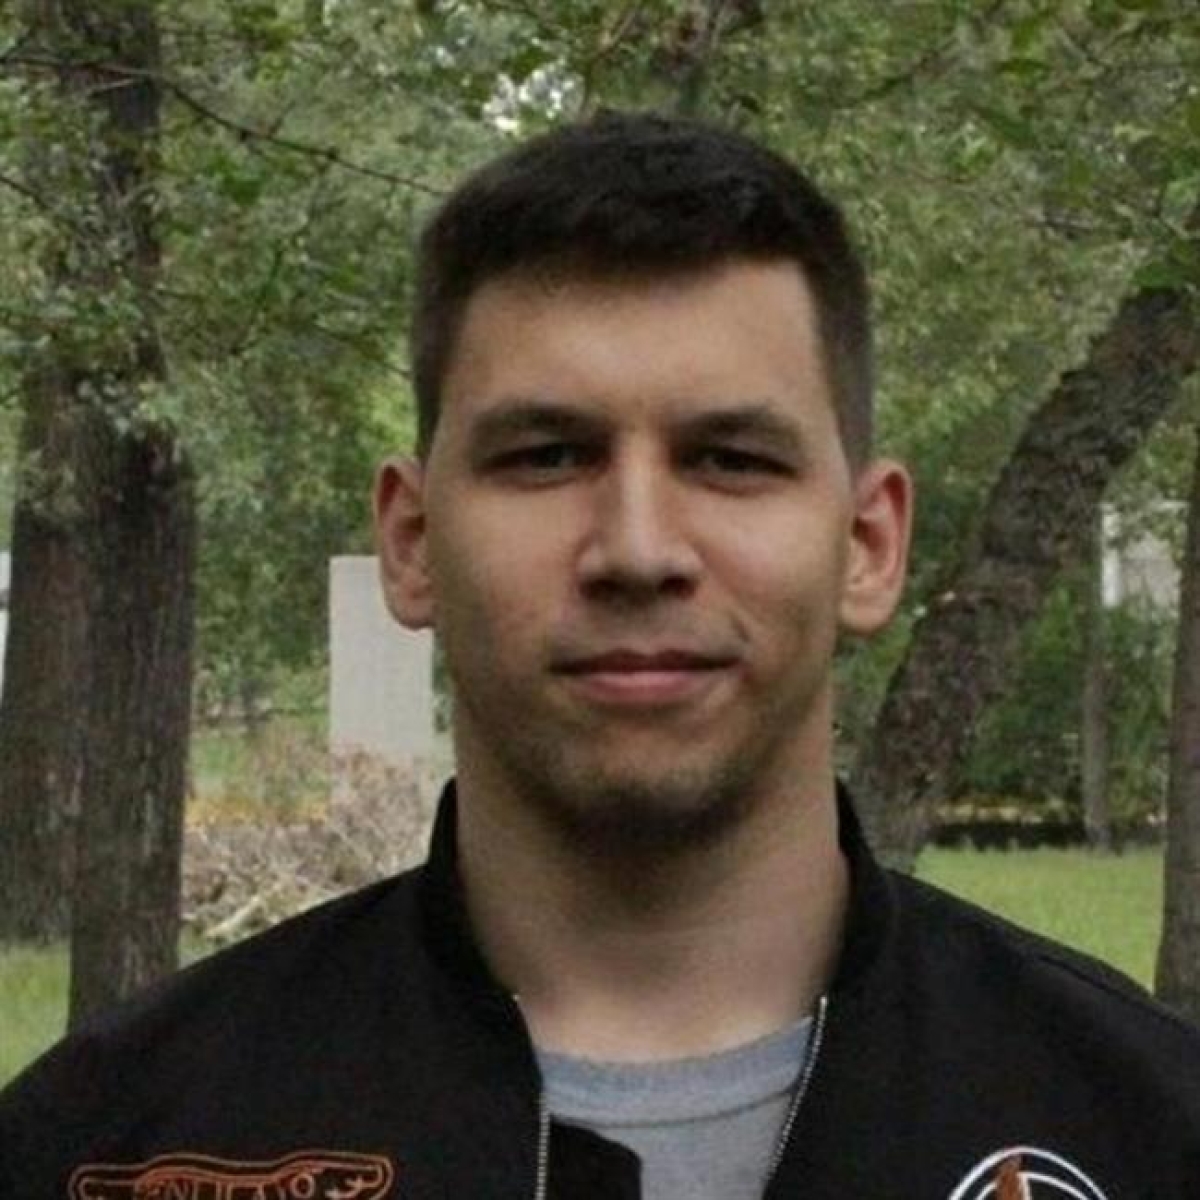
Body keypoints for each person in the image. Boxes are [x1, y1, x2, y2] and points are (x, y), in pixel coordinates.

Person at [2, 112, 1198, 1200]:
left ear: (867, 546)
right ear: (413, 543)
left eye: (731, 459)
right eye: (546, 456)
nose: (637, 550)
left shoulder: (1147, 1130)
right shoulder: (103, 1146)